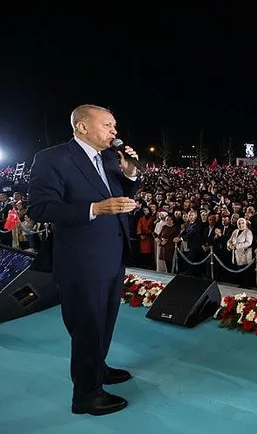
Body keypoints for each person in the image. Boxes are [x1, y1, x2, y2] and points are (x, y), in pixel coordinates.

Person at [28, 104, 141, 416]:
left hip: (112, 254)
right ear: (82, 127)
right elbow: (40, 209)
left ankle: (98, 368)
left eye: (115, 126)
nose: (114, 132)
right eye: (107, 125)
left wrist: (130, 171)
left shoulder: (107, 157)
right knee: (87, 326)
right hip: (81, 260)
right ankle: (86, 396)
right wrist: (95, 209)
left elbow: (121, 190)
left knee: (105, 320)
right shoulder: (53, 159)